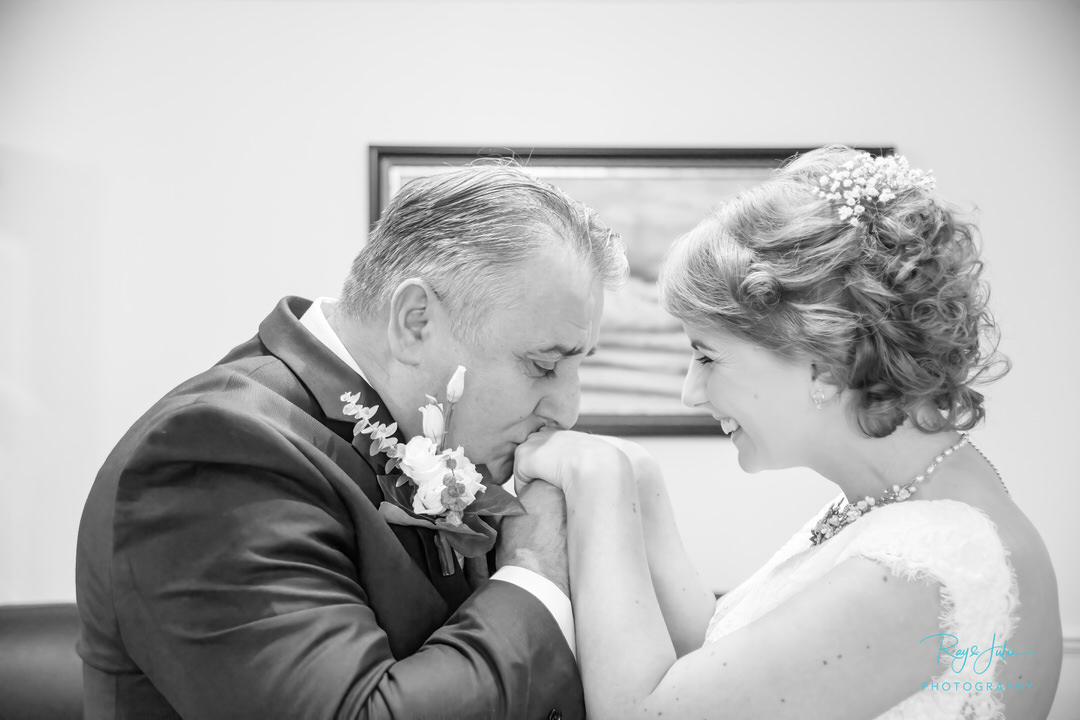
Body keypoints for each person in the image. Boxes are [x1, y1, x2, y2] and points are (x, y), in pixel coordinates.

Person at [514, 146, 1063, 719]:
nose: (691, 393)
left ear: (822, 364)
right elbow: (727, 669)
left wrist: (598, 485)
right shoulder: (892, 509)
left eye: (707, 357)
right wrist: (641, 485)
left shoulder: (923, 567)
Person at [75, 163, 628, 719]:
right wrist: (535, 569)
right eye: (542, 364)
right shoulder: (215, 451)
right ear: (415, 322)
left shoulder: (419, 435)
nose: (568, 410)